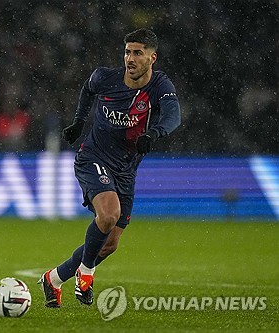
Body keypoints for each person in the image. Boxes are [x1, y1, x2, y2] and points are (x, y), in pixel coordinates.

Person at [39, 28, 181, 307]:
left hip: (126, 170)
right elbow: (88, 89)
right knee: (109, 214)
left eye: (138, 53)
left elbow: (174, 115)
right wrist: (79, 121)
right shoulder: (106, 77)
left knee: (110, 243)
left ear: (152, 58)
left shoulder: (160, 87)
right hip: (93, 158)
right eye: (127, 51)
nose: (130, 58)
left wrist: (154, 134)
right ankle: (86, 273)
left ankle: (53, 279)